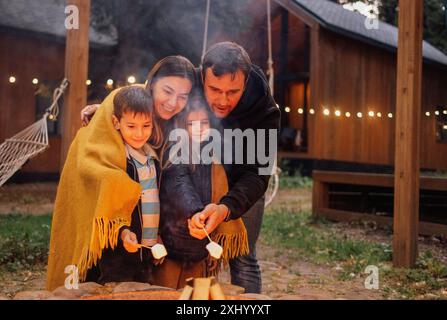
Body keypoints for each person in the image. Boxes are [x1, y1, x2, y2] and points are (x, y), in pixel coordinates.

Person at [46, 86, 163, 290]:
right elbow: (107, 206)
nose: (139, 133)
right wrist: (122, 231)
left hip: (146, 250)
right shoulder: (117, 160)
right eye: (131, 126)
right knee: (114, 290)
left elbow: (153, 202)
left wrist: (155, 237)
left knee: (142, 290)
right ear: (116, 123)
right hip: (117, 254)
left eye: (146, 126)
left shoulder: (153, 158)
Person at [188, 42, 281, 293]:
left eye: (233, 91)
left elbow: (257, 173)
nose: (222, 100)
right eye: (214, 89)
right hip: (201, 176)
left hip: (244, 183)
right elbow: (154, 94)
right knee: (190, 252)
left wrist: (227, 207)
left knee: (243, 257)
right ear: (202, 76)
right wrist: (109, 109)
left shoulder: (265, 110)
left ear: (246, 81)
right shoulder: (190, 81)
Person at [152, 91, 249, 289]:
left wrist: (209, 245)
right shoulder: (174, 152)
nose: (198, 129)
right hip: (170, 247)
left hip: (199, 249)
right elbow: (180, 184)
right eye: (191, 124)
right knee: (165, 292)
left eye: (203, 123)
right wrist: (197, 212)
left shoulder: (212, 157)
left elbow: (217, 197)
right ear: (181, 126)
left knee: (196, 296)